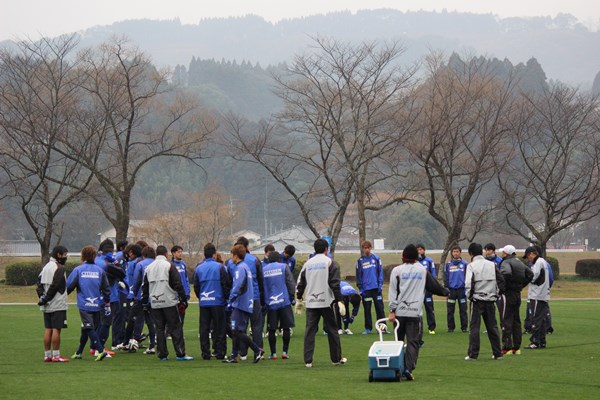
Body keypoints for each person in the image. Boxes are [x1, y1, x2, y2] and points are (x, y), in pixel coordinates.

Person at [388, 244, 449, 381]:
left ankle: (398, 367)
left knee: (398, 342)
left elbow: (392, 292)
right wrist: (446, 292)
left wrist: (392, 310)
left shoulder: (396, 271)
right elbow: (434, 286)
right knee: (413, 342)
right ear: (417, 257)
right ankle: (408, 368)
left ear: (403, 256)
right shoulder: (422, 270)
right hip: (415, 314)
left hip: (399, 314)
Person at [296, 238, 346, 368]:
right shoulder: (330, 262)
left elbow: (301, 282)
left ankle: (308, 361)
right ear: (326, 249)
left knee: (310, 331)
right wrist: (339, 300)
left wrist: (299, 298)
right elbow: (335, 283)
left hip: (311, 302)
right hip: (327, 302)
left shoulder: (308, 264)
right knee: (332, 330)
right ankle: (336, 359)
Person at [141, 245, 193, 361]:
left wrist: (145, 302)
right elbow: (177, 284)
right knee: (175, 327)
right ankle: (180, 353)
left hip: (155, 302)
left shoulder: (149, 268)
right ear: (165, 254)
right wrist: (183, 300)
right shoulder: (169, 265)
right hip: (169, 302)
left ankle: (162, 354)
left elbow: (145, 287)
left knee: (159, 329)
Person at [67, 245, 111, 361]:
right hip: (96, 304)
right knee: (87, 328)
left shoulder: (78, 270)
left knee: (88, 327)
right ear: (94, 256)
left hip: (84, 305)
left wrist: (62, 296)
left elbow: (69, 286)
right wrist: (107, 303)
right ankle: (79, 352)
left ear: (83, 256)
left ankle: (100, 351)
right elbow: (106, 289)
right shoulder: (100, 271)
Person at [222, 244, 265, 364]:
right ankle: (234, 356)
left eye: (232, 255)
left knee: (236, 331)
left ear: (235, 256)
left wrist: (230, 301)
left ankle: (257, 350)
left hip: (241, 303)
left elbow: (238, 286)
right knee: (236, 330)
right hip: (246, 302)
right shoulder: (245, 266)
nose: (231, 258)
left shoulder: (240, 268)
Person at [464, 243, 505, 361]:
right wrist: (497, 294)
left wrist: (470, 297)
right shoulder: (492, 264)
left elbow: (468, 284)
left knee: (474, 328)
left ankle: (473, 354)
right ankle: (498, 353)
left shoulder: (471, 266)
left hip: (477, 300)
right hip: (490, 300)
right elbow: (501, 280)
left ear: (471, 253)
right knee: (493, 327)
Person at [193, 242, 231, 360]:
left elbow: (196, 286)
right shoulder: (221, 267)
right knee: (220, 328)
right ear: (214, 255)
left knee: (204, 328)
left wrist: (202, 297)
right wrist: (226, 298)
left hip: (204, 302)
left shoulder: (198, 268)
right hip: (218, 302)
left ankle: (205, 353)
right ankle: (220, 352)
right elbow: (226, 285)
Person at [37, 245, 69, 362]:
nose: (66, 257)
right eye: (65, 255)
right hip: (57, 303)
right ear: (59, 255)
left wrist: (42, 297)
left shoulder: (46, 266)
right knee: (56, 329)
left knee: (48, 329)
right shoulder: (59, 268)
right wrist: (47, 298)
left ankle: (47, 355)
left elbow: (39, 284)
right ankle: (56, 355)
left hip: (47, 304)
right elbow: (55, 285)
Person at [499, 245, 533, 355]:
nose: (502, 254)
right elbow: (530, 274)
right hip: (517, 294)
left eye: (503, 252)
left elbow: (506, 273)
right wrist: (521, 285)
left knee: (506, 319)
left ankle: (506, 347)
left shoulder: (506, 262)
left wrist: (503, 287)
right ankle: (516, 347)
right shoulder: (519, 262)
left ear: (507, 253)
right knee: (516, 320)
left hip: (508, 294)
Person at [235, 236, 265, 361]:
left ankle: (243, 353)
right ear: (247, 247)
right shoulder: (255, 260)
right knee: (257, 326)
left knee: (242, 326)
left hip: (241, 298)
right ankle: (259, 350)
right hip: (255, 296)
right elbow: (260, 279)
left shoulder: (233, 261)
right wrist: (263, 297)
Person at [263, 250, 296, 359]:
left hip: (271, 303)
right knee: (286, 327)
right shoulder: (284, 266)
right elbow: (290, 282)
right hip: (284, 301)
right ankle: (285, 352)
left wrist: (264, 301)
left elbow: (262, 287)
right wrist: (292, 297)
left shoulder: (264, 269)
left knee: (271, 329)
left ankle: (273, 354)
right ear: (279, 259)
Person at [523, 246, 551, 349]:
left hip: (537, 295)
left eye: (527, 256)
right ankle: (542, 341)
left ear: (532, 254)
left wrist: (525, 276)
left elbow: (533, 277)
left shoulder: (538, 263)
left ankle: (535, 341)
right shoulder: (543, 262)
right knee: (541, 319)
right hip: (542, 295)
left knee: (535, 318)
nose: (528, 259)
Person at [356, 240, 385, 334]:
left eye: (368, 248)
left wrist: (380, 285)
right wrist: (360, 288)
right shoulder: (360, 261)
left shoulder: (376, 258)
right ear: (363, 249)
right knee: (367, 309)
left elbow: (380, 272)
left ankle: (382, 328)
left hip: (376, 288)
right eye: (365, 248)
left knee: (380, 308)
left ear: (370, 248)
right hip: (366, 290)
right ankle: (368, 328)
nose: (367, 249)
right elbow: (358, 275)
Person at [444, 245, 468, 333]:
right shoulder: (448, 264)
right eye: (454, 252)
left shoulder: (465, 264)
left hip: (462, 290)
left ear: (460, 252)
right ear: (452, 253)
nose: (455, 253)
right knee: (450, 310)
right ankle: (451, 328)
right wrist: (446, 290)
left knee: (463, 310)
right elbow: (446, 277)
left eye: (457, 251)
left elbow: (468, 277)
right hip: (451, 291)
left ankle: (464, 327)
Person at [416, 244, 437, 335]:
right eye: (418, 250)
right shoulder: (415, 262)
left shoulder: (429, 261)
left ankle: (431, 328)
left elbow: (433, 275)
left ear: (424, 250)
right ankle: (418, 328)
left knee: (429, 309)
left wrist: (432, 287)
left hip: (427, 289)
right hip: (417, 290)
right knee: (416, 310)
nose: (419, 251)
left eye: (421, 249)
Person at [171, 245, 190, 329]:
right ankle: (169, 332)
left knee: (182, 313)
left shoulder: (183, 264)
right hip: (174, 294)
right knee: (173, 314)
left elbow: (186, 279)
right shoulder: (170, 265)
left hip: (183, 294)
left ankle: (179, 331)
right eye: (178, 252)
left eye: (181, 251)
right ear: (173, 253)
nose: (180, 253)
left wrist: (188, 291)